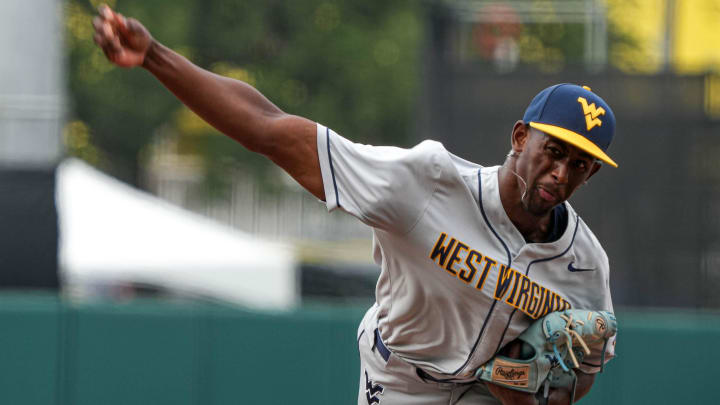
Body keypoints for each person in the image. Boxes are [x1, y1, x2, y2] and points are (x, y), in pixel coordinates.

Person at [92, 5, 616, 405]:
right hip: (400, 382)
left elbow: (579, 370)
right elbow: (269, 130)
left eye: (580, 165)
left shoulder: (584, 263)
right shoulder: (426, 182)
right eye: (554, 152)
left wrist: (528, 381)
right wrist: (155, 56)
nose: (561, 173)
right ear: (520, 137)